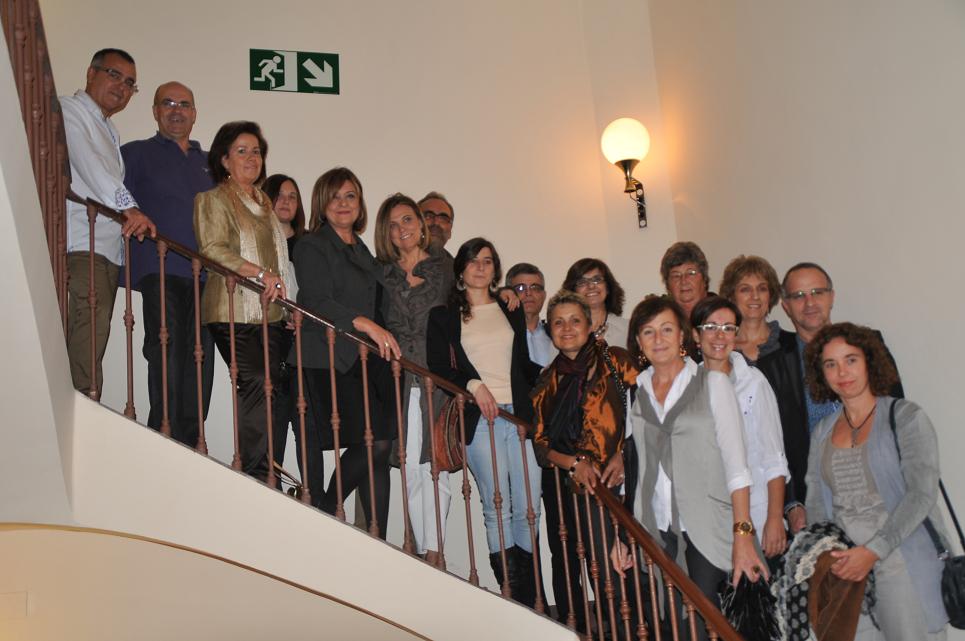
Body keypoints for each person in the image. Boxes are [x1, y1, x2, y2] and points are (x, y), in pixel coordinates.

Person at [613, 296, 761, 641]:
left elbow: (738, 467)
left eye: (667, 329)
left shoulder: (713, 383)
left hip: (707, 526)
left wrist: (743, 537)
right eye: (648, 332)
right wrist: (623, 535)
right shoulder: (635, 392)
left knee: (707, 622)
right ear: (637, 341)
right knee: (674, 627)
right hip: (655, 527)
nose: (658, 339)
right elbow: (634, 468)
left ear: (683, 336)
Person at [802, 323, 949, 639]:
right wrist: (827, 556)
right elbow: (815, 501)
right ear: (821, 373)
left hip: (902, 562)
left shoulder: (907, 417)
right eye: (831, 364)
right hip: (847, 571)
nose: (842, 371)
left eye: (851, 359)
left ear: (869, 361)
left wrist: (873, 551)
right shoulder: (823, 431)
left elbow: (921, 495)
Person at [426, 237, 542, 606]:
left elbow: (523, 364)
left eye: (488, 261)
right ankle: (516, 596)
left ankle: (527, 592)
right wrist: (475, 386)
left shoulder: (509, 308)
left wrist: (557, 378)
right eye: (473, 261)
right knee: (497, 507)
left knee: (529, 508)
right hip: (482, 420)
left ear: (495, 270)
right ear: (460, 268)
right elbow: (439, 367)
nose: (480, 267)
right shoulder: (443, 316)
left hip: (518, 417)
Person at [292, 167, 400, 539]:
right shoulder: (312, 245)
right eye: (335, 196)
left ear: (360, 204)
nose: (343, 203)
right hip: (327, 356)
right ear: (322, 203)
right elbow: (316, 300)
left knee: (379, 452)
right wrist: (365, 324)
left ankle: (377, 539)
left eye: (350, 196)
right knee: (374, 442)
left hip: (362, 361)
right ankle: (325, 512)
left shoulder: (363, 250)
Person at [757, 262, 903, 533]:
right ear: (786, 306)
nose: (809, 302)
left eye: (817, 292)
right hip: (817, 505)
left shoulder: (869, 345)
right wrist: (791, 504)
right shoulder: (772, 368)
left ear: (832, 297)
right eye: (798, 296)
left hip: (882, 494)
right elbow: (771, 445)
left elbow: (896, 418)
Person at [531, 290, 638, 630]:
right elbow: (541, 446)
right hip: (585, 491)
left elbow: (647, 413)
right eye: (558, 322)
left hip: (632, 482)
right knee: (606, 573)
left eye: (575, 320)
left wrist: (623, 454)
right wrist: (575, 464)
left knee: (643, 570)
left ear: (590, 325)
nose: (567, 328)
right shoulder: (548, 380)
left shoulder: (617, 361)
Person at [193, 121, 289, 482]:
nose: (252, 157)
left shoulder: (264, 202)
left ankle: (266, 470)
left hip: (272, 314)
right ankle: (256, 473)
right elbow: (213, 250)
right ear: (224, 159)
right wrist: (261, 275)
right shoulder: (212, 199)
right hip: (231, 309)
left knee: (271, 388)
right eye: (242, 151)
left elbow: (278, 260)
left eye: (257, 151)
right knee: (257, 381)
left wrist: (286, 299)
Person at [121, 81, 214, 446]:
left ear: (194, 113)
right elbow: (112, 193)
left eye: (185, 104)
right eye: (168, 103)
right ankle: (164, 435)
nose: (177, 110)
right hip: (162, 270)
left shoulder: (211, 163)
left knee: (199, 359)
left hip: (209, 277)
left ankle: (191, 441)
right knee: (166, 351)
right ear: (156, 111)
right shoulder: (135, 153)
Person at [61, 48, 156, 397]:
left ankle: (84, 397)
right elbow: (89, 166)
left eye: (130, 83)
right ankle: (82, 399)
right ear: (91, 73)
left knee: (96, 330)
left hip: (106, 249)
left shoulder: (110, 130)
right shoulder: (69, 110)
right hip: (81, 241)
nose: (122, 86)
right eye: (115, 75)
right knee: (90, 325)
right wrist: (129, 207)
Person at [374, 192, 453, 563]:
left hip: (437, 378)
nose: (401, 229)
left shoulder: (444, 268)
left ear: (421, 225)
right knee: (408, 466)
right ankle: (424, 551)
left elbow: (472, 300)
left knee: (434, 465)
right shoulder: (382, 274)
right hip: (399, 380)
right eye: (392, 224)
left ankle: (434, 552)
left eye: (407, 220)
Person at [690, 296, 789, 561]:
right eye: (710, 327)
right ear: (696, 335)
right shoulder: (687, 386)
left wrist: (775, 518)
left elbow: (774, 457)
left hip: (756, 514)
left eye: (728, 328)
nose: (719, 336)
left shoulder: (754, 382)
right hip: (710, 521)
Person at [260, 174, 306, 474]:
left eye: (292, 196)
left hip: (303, 345)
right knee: (271, 422)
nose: (286, 201)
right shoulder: (259, 242)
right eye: (279, 195)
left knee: (305, 428)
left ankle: (313, 499)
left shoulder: (310, 245)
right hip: (269, 341)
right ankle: (268, 484)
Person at [718, 254, 783, 364]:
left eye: (762, 289)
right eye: (745, 289)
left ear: (771, 295)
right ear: (731, 296)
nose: (755, 296)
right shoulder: (719, 347)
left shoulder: (790, 345)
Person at [561, 258, 628, 349]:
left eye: (597, 279)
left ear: (608, 288)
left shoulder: (628, 329)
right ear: (573, 292)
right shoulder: (564, 332)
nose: (591, 286)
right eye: (582, 282)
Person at [506, 262, 556, 367]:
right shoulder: (501, 335)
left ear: (544, 295)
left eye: (535, 288)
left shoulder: (557, 335)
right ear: (508, 295)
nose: (529, 293)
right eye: (520, 288)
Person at [659, 241, 710, 320]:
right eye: (676, 275)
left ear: (704, 280)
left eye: (691, 273)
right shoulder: (664, 323)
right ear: (668, 286)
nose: (683, 281)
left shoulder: (721, 317)